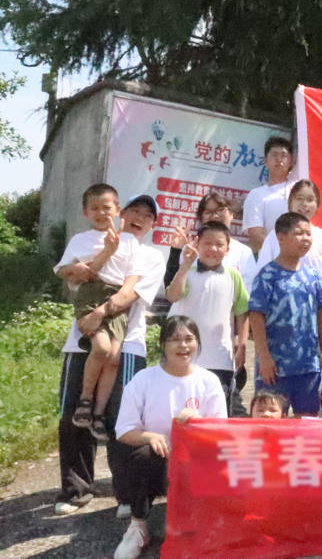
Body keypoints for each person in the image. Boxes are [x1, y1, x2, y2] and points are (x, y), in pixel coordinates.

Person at [55, 195, 165, 518]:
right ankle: (76, 489)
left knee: (122, 420)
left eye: (147, 215)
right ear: (122, 213)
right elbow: (73, 278)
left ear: (153, 225)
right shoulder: (91, 242)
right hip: (82, 340)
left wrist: (99, 312)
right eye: (135, 211)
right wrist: (77, 271)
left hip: (126, 345)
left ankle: (127, 494)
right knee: (73, 414)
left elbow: (129, 295)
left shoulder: (151, 256)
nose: (139, 218)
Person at [112, 316, 226, 559]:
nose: (183, 346)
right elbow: (124, 430)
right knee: (140, 455)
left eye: (189, 339)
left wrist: (199, 424)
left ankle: (197, 521)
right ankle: (138, 526)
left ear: (198, 343)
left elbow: (221, 433)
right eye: (175, 339)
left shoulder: (209, 381)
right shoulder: (143, 379)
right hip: (159, 463)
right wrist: (149, 437)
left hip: (194, 463)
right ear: (163, 344)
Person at [55, 184, 145, 441]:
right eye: (94, 208)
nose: (101, 213)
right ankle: (85, 399)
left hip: (116, 299)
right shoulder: (80, 240)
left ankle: (98, 413)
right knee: (102, 348)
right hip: (91, 294)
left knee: (114, 358)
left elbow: (133, 274)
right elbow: (62, 270)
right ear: (85, 213)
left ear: (118, 210)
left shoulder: (129, 240)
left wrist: (122, 296)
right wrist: (82, 265)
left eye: (106, 207)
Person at [248, 212, 322, 416]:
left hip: (308, 366)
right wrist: (264, 358)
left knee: (308, 419)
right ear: (281, 238)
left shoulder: (312, 275)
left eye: (308, 234)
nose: (306, 239)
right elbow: (256, 316)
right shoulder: (267, 275)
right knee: (271, 419)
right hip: (275, 367)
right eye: (299, 233)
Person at [165, 221, 249, 415]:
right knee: (184, 409)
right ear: (197, 244)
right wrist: (184, 266)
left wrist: (242, 346)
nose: (213, 249)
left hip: (220, 359)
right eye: (207, 243)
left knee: (217, 412)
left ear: (228, 249)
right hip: (186, 356)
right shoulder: (188, 272)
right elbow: (173, 296)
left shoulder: (233, 276)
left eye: (219, 244)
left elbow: (242, 312)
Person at [253, 180, 322, 316]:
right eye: (299, 198)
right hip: (277, 316)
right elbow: (262, 278)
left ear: (317, 204)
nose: (304, 204)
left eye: (310, 199)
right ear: (290, 202)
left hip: (312, 317)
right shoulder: (275, 236)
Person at [164, 191, 257, 287]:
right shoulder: (189, 250)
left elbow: (248, 291)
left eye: (220, 210)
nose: (215, 216)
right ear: (201, 219)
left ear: (231, 214)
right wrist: (176, 250)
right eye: (208, 212)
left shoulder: (244, 252)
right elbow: (170, 288)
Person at [242, 136, 297, 254]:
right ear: (265, 161)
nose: (279, 160)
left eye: (283, 155)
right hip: (268, 259)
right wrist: (282, 253)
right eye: (274, 155)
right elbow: (256, 234)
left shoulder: (299, 191)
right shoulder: (256, 195)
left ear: (291, 161)